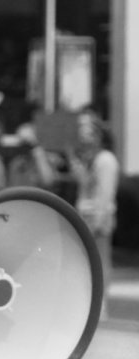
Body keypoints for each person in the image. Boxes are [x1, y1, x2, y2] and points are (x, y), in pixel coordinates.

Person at [68, 116, 119, 318]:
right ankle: (91, 305)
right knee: (88, 264)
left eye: (87, 131)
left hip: (96, 221)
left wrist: (98, 221)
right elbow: (82, 183)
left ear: (99, 135)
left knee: (100, 263)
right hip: (86, 217)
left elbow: (105, 195)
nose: (82, 136)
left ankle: (101, 307)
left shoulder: (105, 160)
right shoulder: (92, 160)